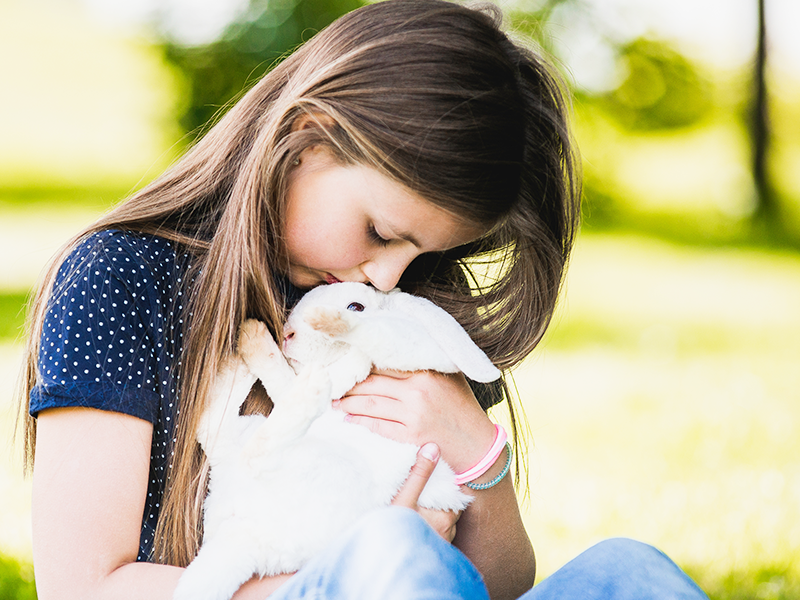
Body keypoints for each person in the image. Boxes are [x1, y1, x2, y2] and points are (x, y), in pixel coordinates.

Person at [16, 1, 708, 599]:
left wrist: (477, 454)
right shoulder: (121, 277)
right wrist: (349, 574)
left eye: (421, 254)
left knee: (631, 571)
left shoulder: (392, 311)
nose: (386, 278)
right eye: (380, 232)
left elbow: (500, 585)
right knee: (391, 555)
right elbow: (83, 586)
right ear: (306, 136)